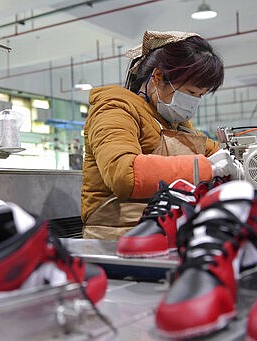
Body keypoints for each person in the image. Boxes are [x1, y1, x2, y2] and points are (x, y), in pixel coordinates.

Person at [81, 30, 242, 240]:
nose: (194, 102)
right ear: (157, 77)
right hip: (118, 235)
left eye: (200, 96)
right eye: (191, 93)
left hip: (165, 230)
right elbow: (124, 175)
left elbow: (217, 152)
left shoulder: (179, 125)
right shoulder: (115, 109)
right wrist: (207, 168)